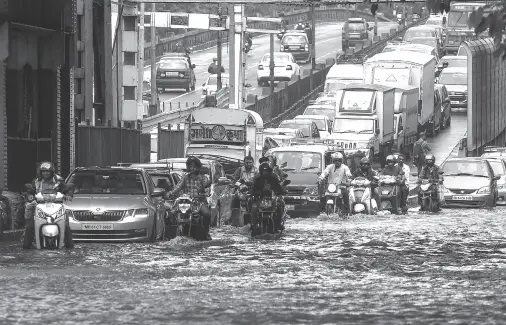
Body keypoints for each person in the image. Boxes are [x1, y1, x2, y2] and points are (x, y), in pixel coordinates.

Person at [23, 162, 74, 249]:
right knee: (30, 225)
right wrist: (29, 195)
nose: (45, 173)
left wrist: (68, 195)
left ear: (51, 172)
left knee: (66, 225)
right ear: (41, 172)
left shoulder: (58, 180)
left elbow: (66, 189)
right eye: (43, 171)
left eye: (47, 171)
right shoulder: (36, 181)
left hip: (56, 205)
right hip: (39, 205)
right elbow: (30, 191)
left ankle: (70, 246)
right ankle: (26, 246)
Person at [166, 156, 212, 240]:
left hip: (199, 201)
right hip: (186, 202)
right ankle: (168, 234)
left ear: (198, 167)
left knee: (207, 214)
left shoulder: (203, 177)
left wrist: (204, 190)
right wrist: (170, 193)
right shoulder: (185, 177)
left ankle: (205, 233)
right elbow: (178, 187)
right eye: (190, 166)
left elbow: (207, 189)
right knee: (171, 213)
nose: (192, 168)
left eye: (194, 166)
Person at [250, 162, 286, 233]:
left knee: (281, 204)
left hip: (272, 198)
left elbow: (278, 188)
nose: (265, 172)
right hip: (260, 199)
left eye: (267, 171)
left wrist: (281, 193)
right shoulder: (257, 179)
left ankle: (279, 223)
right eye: (264, 171)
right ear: (261, 171)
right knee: (253, 207)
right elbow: (254, 189)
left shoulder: (274, 178)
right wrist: (255, 193)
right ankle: (253, 224)